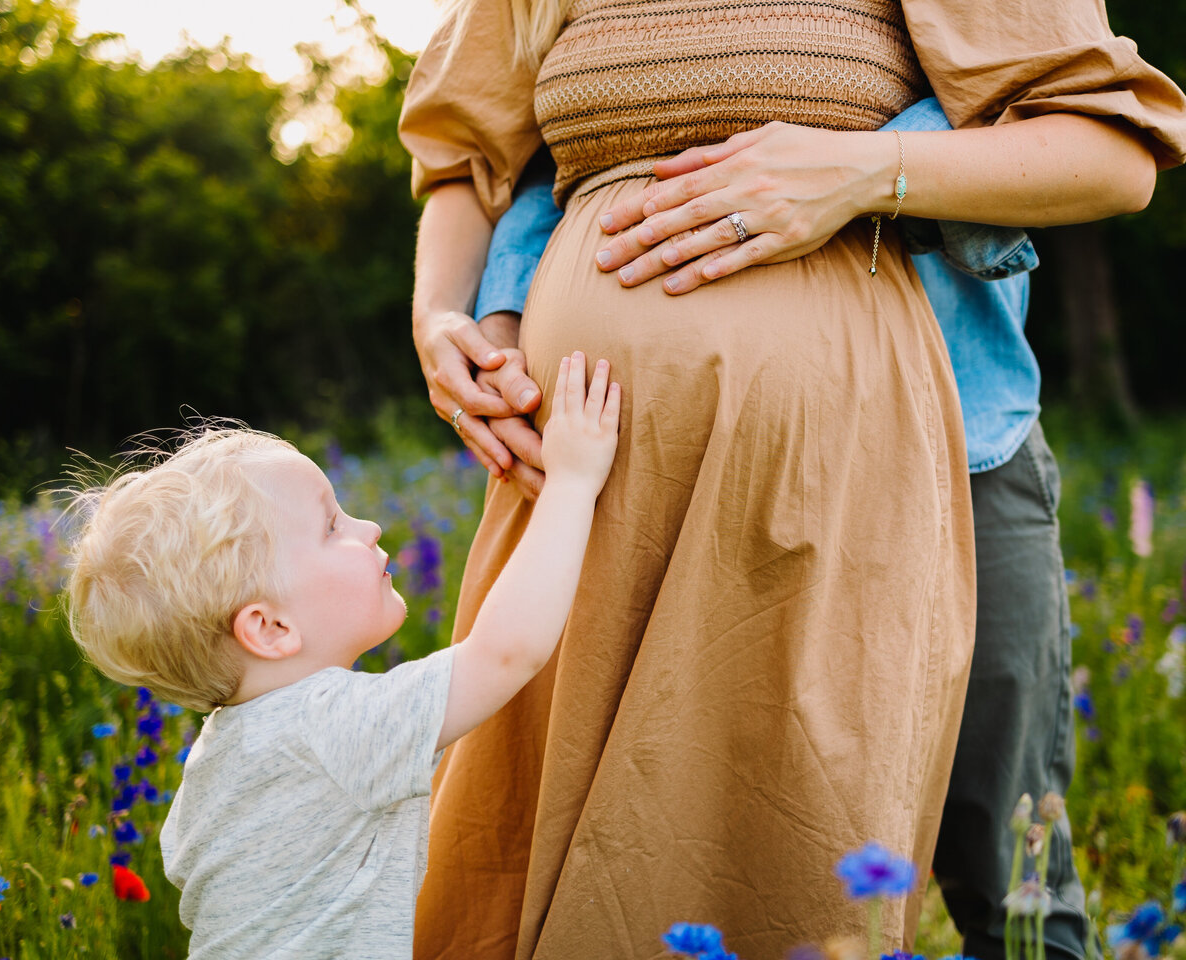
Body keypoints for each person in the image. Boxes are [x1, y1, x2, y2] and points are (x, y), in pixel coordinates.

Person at [399, 2, 1186, 957]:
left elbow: (1115, 151)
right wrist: (443, 314)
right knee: (585, 846)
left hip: (947, 457)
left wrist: (858, 170)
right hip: (606, 490)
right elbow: (478, 163)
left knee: (1003, 876)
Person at [61, 353, 620, 960]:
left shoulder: (216, 759)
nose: (371, 526)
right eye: (332, 526)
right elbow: (506, 654)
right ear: (270, 628)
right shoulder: (332, 729)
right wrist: (572, 482)